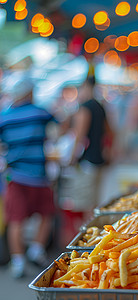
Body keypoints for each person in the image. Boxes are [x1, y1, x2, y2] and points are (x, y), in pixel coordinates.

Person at [0, 71, 56, 278]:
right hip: (39, 176)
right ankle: (36, 249)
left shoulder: (3, 116)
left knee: (16, 219)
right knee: (47, 213)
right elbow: (60, 124)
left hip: (15, 176)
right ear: (29, 92)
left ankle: (18, 262)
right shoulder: (40, 112)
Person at [58, 75, 113, 246]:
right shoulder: (100, 106)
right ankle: (92, 239)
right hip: (98, 160)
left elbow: (79, 136)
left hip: (86, 162)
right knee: (93, 203)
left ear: (84, 87)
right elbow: (110, 132)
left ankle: (86, 242)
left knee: (84, 206)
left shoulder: (84, 108)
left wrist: (71, 158)